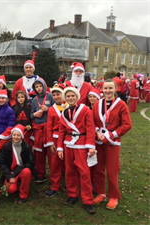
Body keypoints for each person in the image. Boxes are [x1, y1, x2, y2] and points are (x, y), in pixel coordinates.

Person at [92, 79, 132, 210]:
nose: (108, 91)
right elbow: (93, 122)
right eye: (105, 88)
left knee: (112, 170)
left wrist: (112, 134)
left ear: (115, 89)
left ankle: (113, 196)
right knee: (98, 168)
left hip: (113, 142)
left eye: (110, 88)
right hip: (99, 140)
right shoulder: (97, 104)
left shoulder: (121, 105)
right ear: (102, 90)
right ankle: (101, 192)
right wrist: (97, 132)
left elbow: (127, 125)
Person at [56, 87, 96, 214]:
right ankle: (73, 195)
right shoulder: (64, 113)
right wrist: (60, 147)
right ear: (65, 98)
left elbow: (90, 129)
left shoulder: (85, 110)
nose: (70, 98)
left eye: (73, 96)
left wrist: (90, 146)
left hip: (81, 145)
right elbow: (61, 131)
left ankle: (88, 200)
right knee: (69, 171)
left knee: (84, 173)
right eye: (68, 96)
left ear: (77, 97)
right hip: (69, 145)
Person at [0, 124, 35, 204]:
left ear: (21, 136)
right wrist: (9, 176)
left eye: (18, 135)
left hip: (21, 170)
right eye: (14, 135)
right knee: (11, 190)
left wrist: (15, 173)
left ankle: (23, 195)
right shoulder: (6, 147)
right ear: (11, 135)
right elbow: (3, 163)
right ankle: (16, 185)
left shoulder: (26, 147)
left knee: (27, 171)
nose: (16, 137)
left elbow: (30, 163)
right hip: (10, 172)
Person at [30, 78, 55, 183]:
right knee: (39, 153)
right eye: (36, 87)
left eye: (40, 86)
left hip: (48, 128)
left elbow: (57, 110)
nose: (39, 88)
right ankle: (41, 174)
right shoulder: (34, 100)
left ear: (44, 86)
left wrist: (48, 110)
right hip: (38, 129)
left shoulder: (50, 96)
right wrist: (35, 115)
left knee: (51, 153)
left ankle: (54, 176)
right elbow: (30, 115)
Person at [45, 85, 67, 197]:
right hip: (56, 137)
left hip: (68, 138)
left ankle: (70, 184)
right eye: (53, 95)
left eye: (58, 94)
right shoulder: (52, 109)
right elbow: (49, 127)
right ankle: (54, 186)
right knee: (55, 163)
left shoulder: (69, 106)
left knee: (69, 162)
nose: (56, 96)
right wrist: (50, 142)